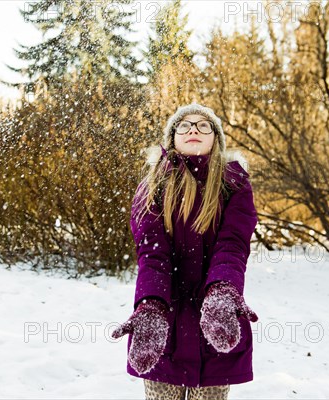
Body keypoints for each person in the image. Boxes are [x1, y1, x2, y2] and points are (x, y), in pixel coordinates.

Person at [112, 103, 259, 400]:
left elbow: (233, 245)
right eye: (184, 125)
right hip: (166, 326)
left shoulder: (235, 185)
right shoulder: (152, 187)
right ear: (172, 138)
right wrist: (151, 306)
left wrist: (222, 291)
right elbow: (152, 255)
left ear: (216, 138)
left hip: (216, 322)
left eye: (204, 125)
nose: (193, 129)